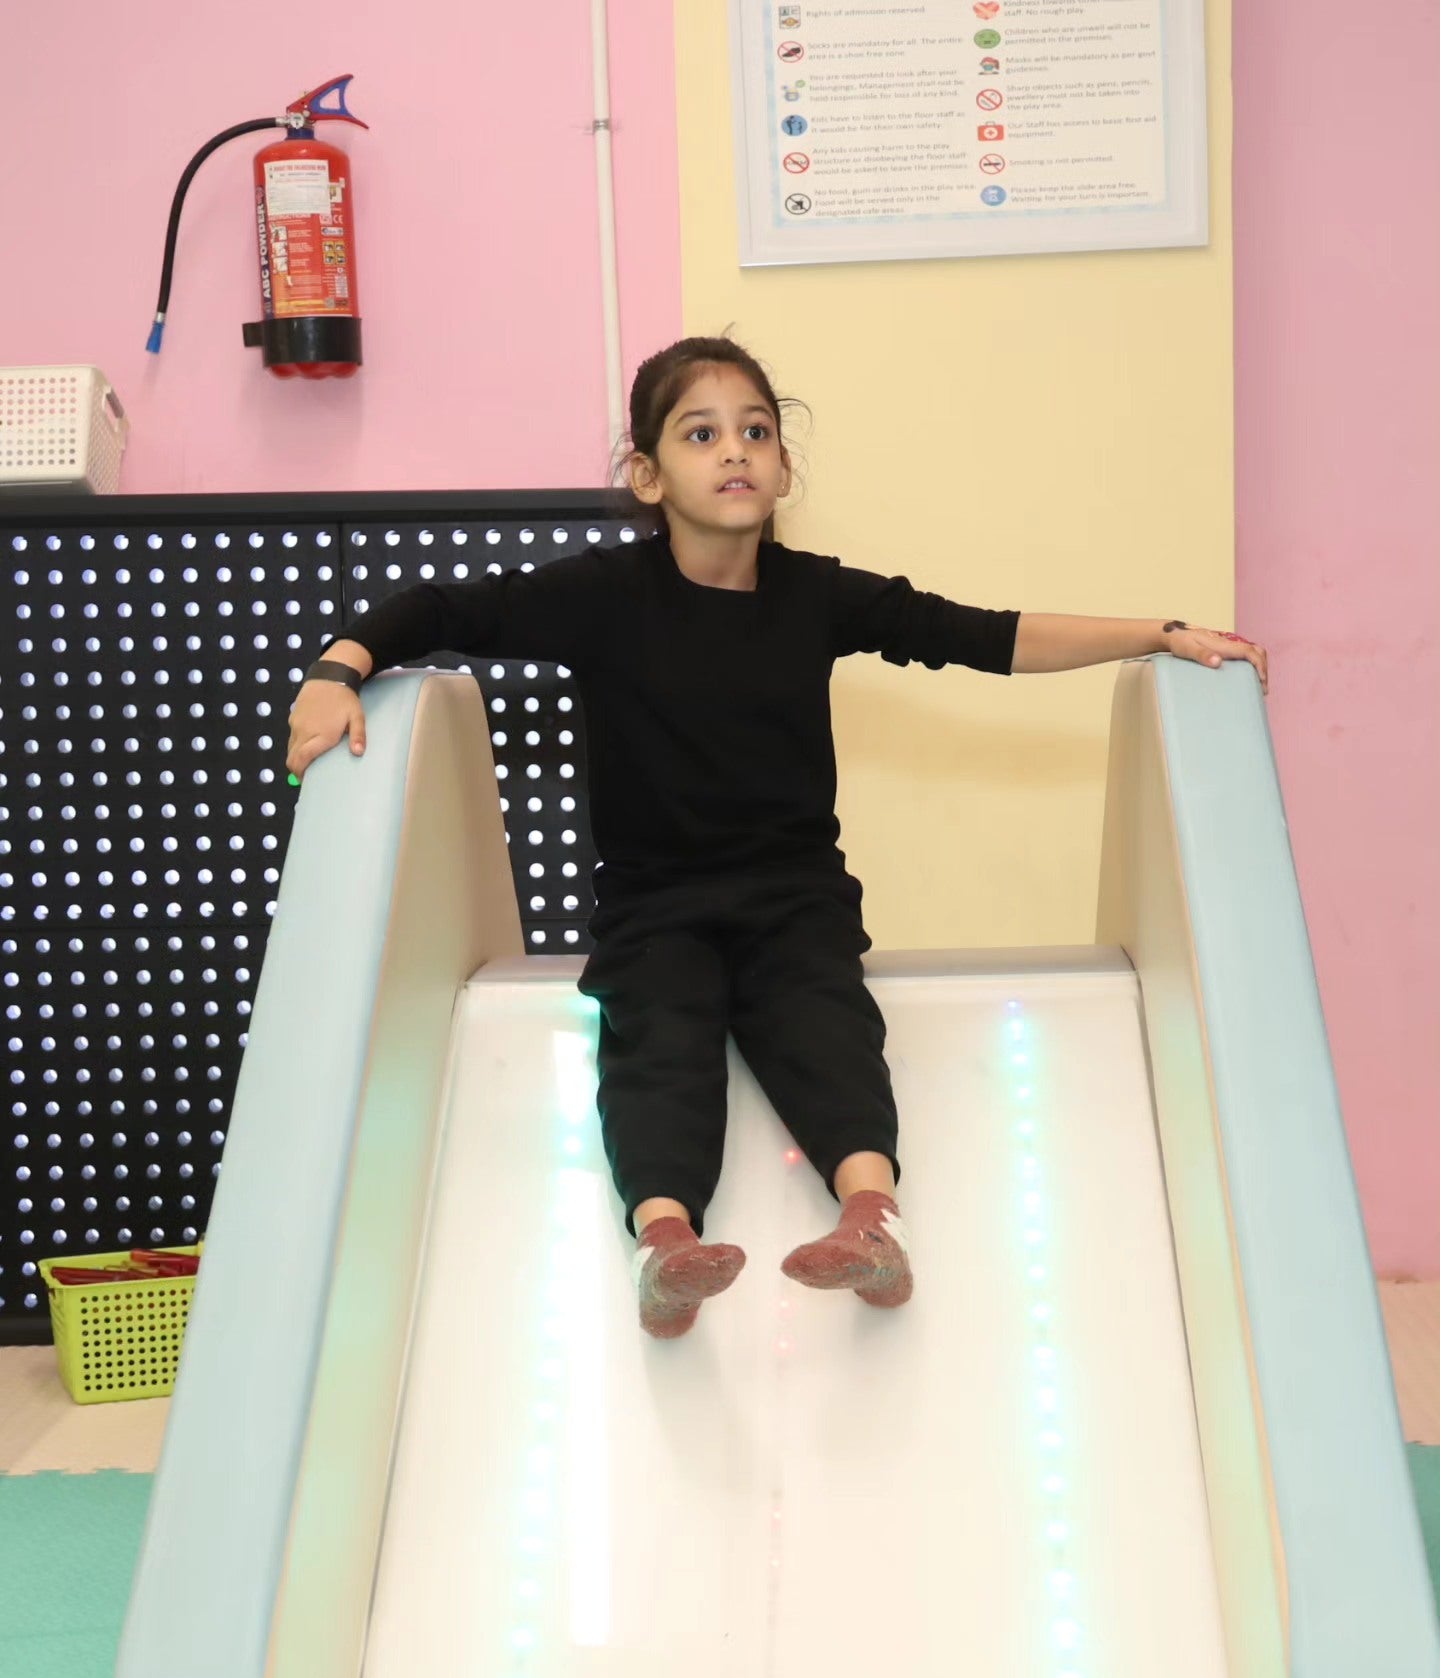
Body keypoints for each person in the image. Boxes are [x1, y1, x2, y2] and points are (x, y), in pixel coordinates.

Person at [285, 334, 1269, 1339]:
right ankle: (668, 1246)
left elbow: (983, 634)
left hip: (792, 892)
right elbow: (444, 609)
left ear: (784, 467)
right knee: (655, 1041)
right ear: (647, 473)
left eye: (757, 432)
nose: (736, 452)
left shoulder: (814, 596)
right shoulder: (599, 599)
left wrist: (1156, 631)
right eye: (701, 433)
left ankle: (872, 1220)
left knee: (826, 1023)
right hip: (654, 901)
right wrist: (337, 668)